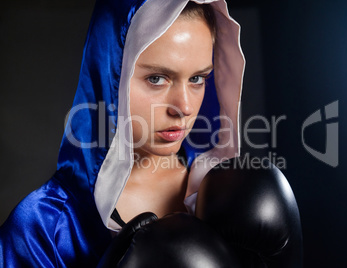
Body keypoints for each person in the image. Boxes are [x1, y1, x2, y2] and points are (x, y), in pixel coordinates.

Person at [0, 0, 246, 266]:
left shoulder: (226, 190)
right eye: (157, 78)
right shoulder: (42, 228)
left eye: (197, 79)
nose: (184, 107)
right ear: (111, 76)